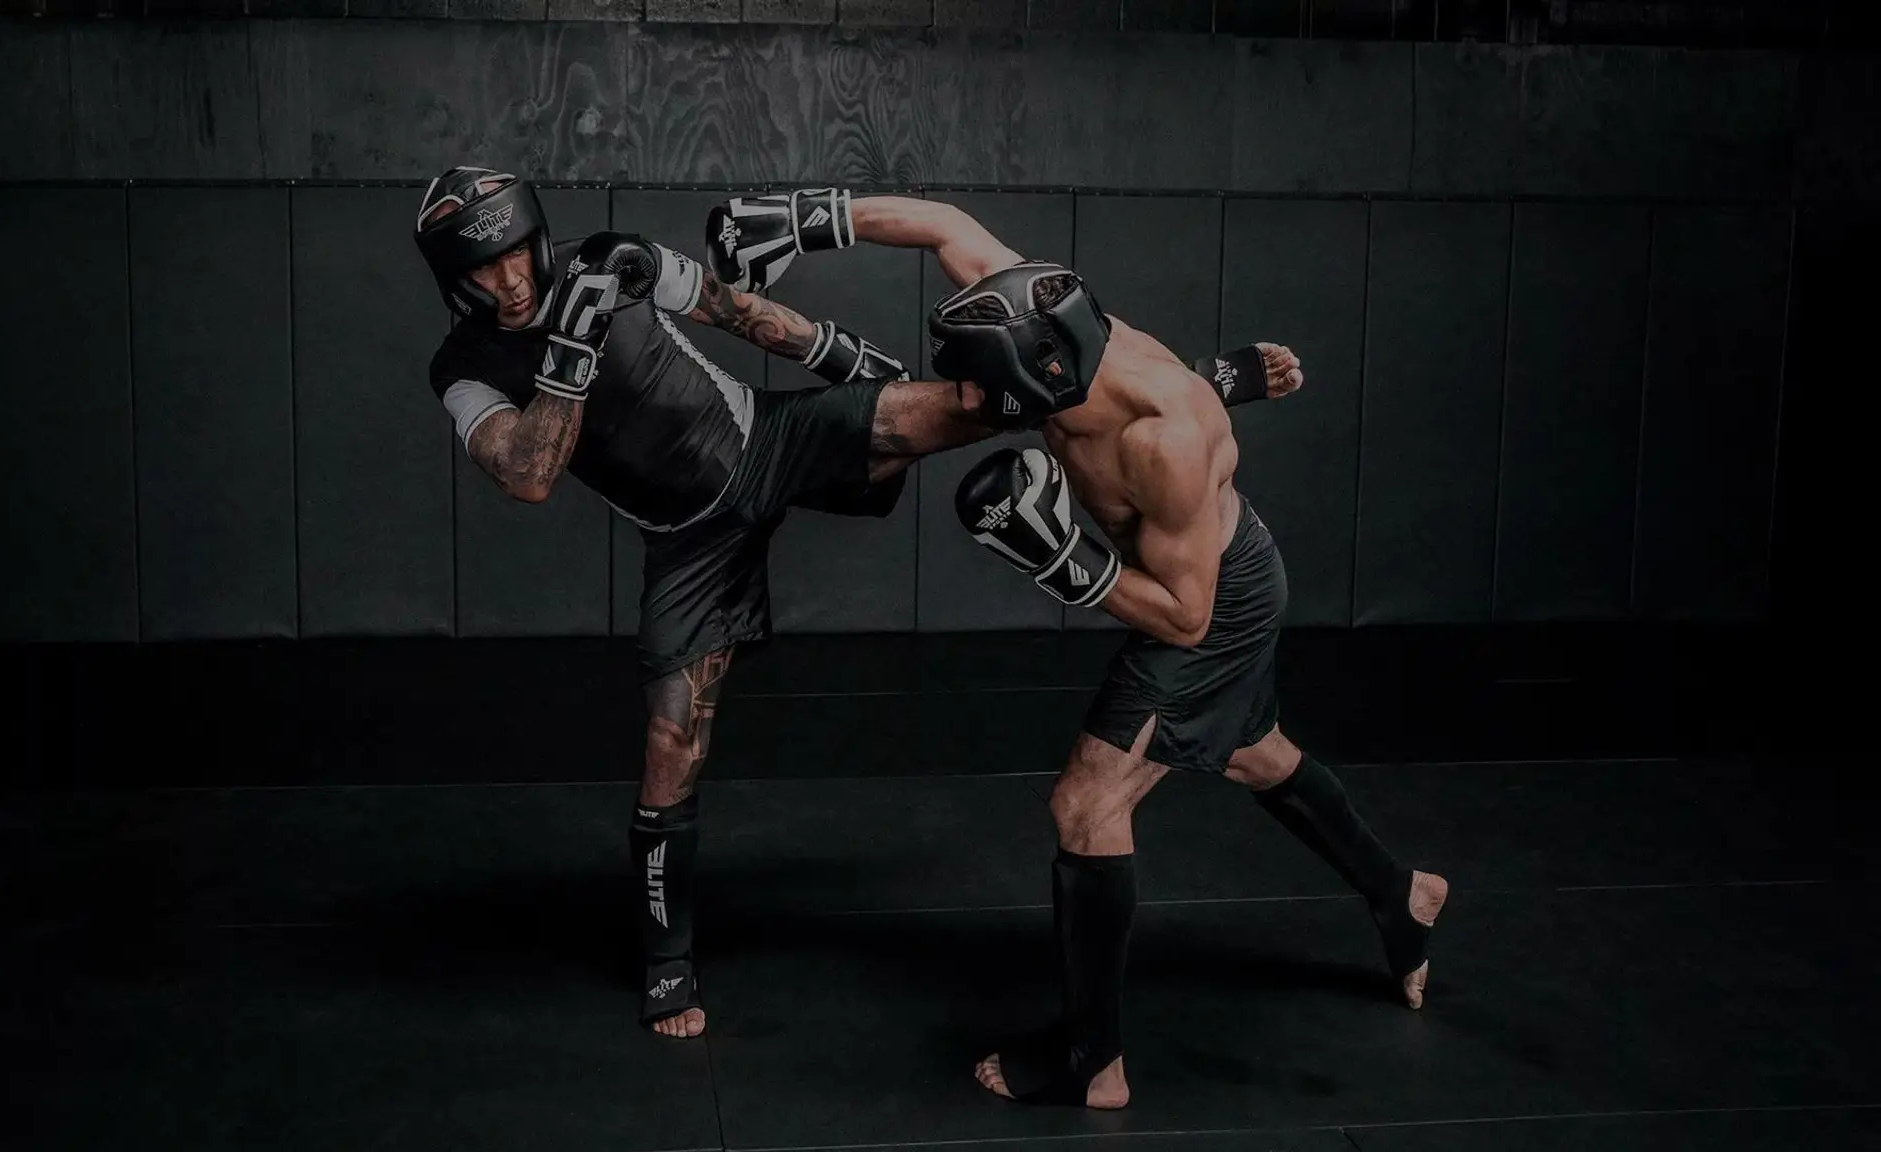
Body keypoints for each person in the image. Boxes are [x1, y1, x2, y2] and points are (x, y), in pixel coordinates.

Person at [707, 191, 1447, 1108]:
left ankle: (1093, 1062)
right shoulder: (1038, 315)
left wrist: (1065, 563)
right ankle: (1401, 893)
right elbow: (942, 224)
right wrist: (807, 218)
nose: (968, 401)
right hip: (1194, 569)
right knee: (1255, 754)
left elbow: (1183, 619)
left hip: (1211, 601)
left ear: (1044, 374)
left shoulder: (1164, 441)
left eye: (984, 388)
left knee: (1087, 806)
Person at [416, 168, 1000, 1040]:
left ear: (535, 238)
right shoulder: (461, 369)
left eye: (513, 257)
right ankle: (666, 961)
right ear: (452, 281)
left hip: (771, 440)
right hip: (690, 543)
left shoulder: (609, 263)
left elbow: (738, 311)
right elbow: (528, 473)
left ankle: (1188, 388)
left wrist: (842, 360)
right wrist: (571, 350)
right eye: (481, 271)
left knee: (980, 403)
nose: (506, 282)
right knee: (669, 742)